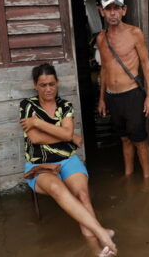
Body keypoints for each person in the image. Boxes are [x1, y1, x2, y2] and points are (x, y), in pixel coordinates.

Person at [20, 63, 117, 256]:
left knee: (82, 195)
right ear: (35, 85)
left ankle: (99, 251)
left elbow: (65, 132)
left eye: (51, 84)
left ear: (57, 83)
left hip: (67, 159)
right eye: (43, 85)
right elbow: (35, 139)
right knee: (57, 188)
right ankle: (101, 233)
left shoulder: (65, 106)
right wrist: (68, 136)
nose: (48, 89)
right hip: (39, 163)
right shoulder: (27, 105)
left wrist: (38, 122)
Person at [95, 0, 149, 178]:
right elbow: (104, 69)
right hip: (113, 97)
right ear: (101, 12)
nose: (113, 13)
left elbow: (146, 64)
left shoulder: (134, 33)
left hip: (132, 94)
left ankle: (147, 179)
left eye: (116, 8)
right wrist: (102, 99)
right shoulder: (101, 38)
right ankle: (128, 174)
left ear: (124, 10)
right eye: (108, 9)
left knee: (139, 139)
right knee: (124, 139)